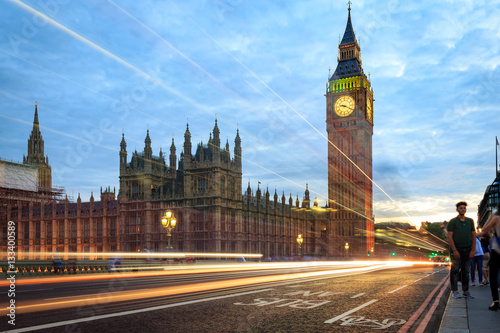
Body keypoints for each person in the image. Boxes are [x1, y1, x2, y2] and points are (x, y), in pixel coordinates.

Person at [447, 201, 476, 299]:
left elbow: (473, 235)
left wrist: (473, 250)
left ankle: (465, 291)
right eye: (461, 208)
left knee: (466, 270)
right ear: (457, 209)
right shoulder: (453, 221)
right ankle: (455, 291)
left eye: (464, 208)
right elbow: (449, 236)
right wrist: (454, 250)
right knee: (455, 270)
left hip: (467, 248)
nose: (463, 209)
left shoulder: (470, 221)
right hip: (456, 249)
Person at [477, 200, 500, 311]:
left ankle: (496, 302)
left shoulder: (496, 218)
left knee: (493, 277)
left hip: (497, 251)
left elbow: (484, 230)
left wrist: (490, 218)